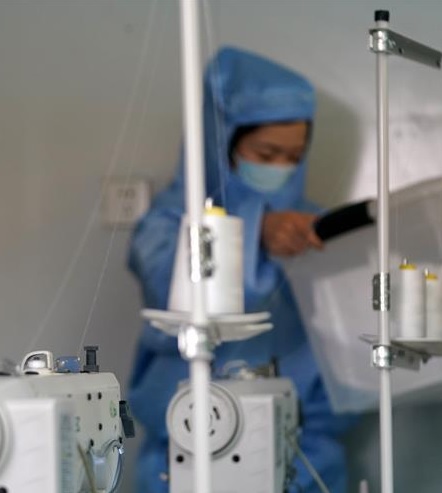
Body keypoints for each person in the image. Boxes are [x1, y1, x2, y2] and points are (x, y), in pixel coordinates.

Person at [127, 47, 354, 492]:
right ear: (223, 142)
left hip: (304, 453)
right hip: (189, 453)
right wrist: (253, 232)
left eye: (294, 156)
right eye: (266, 154)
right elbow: (169, 292)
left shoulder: (315, 229)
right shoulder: (167, 226)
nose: (282, 168)